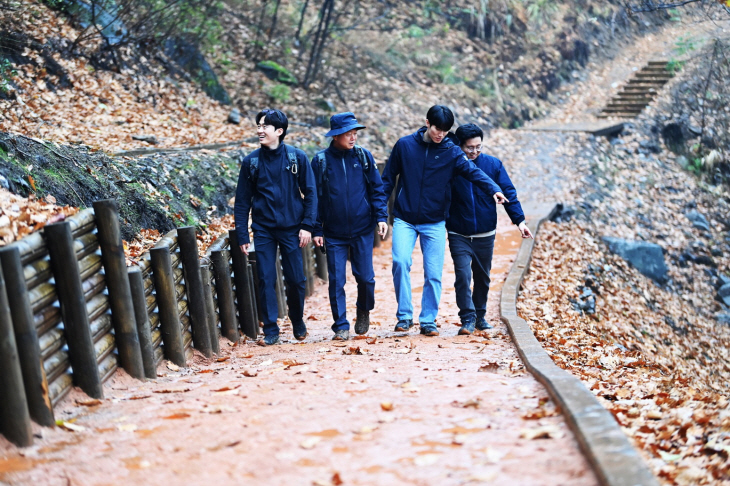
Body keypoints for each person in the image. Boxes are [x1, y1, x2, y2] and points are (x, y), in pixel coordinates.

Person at [381, 105, 508, 337]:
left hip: (435, 221)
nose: (440, 134)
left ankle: (428, 320)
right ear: (427, 122)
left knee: (433, 273)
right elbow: (387, 180)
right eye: (438, 128)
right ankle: (405, 317)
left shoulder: (451, 151)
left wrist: (493, 189)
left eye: (445, 130)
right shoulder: (405, 146)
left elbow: (473, 172)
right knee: (400, 262)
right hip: (404, 218)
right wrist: (381, 215)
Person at [234, 108, 317, 345]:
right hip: (264, 229)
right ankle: (270, 329)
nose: (260, 130)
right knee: (265, 277)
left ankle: (297, 319)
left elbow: (310, 193)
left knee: (296, 279)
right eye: (258, 126)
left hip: (293, 228)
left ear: (279, 131)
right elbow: (242, 201)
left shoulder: (296, 158)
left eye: (265, 126)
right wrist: (243, 234)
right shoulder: (251, 162)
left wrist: (307, 225)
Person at [448, 123, 533, 335]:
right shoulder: (452, 165)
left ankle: (480, 316)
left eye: (478, 147)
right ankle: (467, 318)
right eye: (469, 148)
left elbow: (508, 193)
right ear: (459, 146)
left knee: (482, 277)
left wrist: (520, 221)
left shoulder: (493, 165)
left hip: (485, 232)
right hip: (458, 231)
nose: (474, 152)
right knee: (462, 275)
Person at [312, 113, 388, 340]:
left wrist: (381, 217)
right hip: (333, 233)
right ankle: (341, 325)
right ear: (336, 136)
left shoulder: (364, 157)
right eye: (348, 133)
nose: (353, 137)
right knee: (336, 280)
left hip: (362, 229)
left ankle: (363, 310)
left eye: (355, 133)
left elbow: (377, 189)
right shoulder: (320, 161)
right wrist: (316, 229)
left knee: (365, 278)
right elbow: (313, 197)